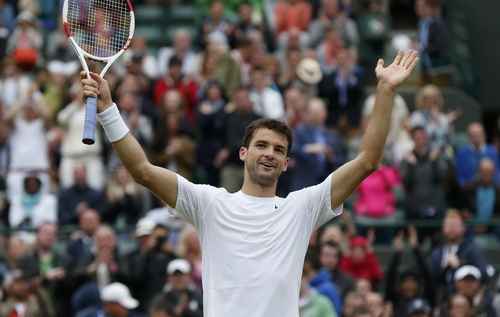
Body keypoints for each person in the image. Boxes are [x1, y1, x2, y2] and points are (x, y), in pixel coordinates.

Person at [81, 50, 419, 316]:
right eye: (261, 145)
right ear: (243, 153)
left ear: (287, 164)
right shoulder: (209, 203)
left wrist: (386, 90)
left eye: (278, 149)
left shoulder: (301, 209)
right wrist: (108, 108)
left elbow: (366, 161)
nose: (269, 153)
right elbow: (141, 169)